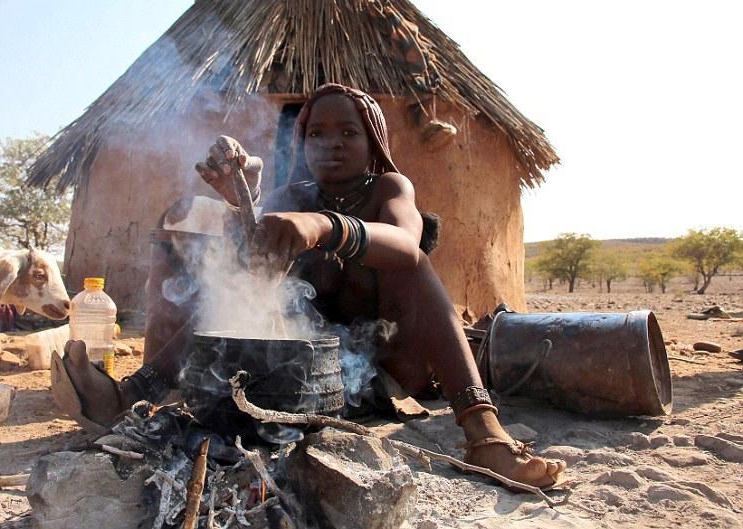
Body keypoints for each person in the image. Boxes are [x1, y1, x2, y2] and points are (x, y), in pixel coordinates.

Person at [52, 83, 565, 490]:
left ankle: (482, 432)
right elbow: (248, 245)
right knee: (233, 279)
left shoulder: (390, 188)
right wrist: (242, 196)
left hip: (381, 376)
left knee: (412, 269)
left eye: (348, 132)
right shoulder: (291, 194)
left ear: (373, 142)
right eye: (316, 134)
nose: (331, 144)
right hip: (303, 383)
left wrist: (325, 227)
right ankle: (129, 394)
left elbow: (407, 243)